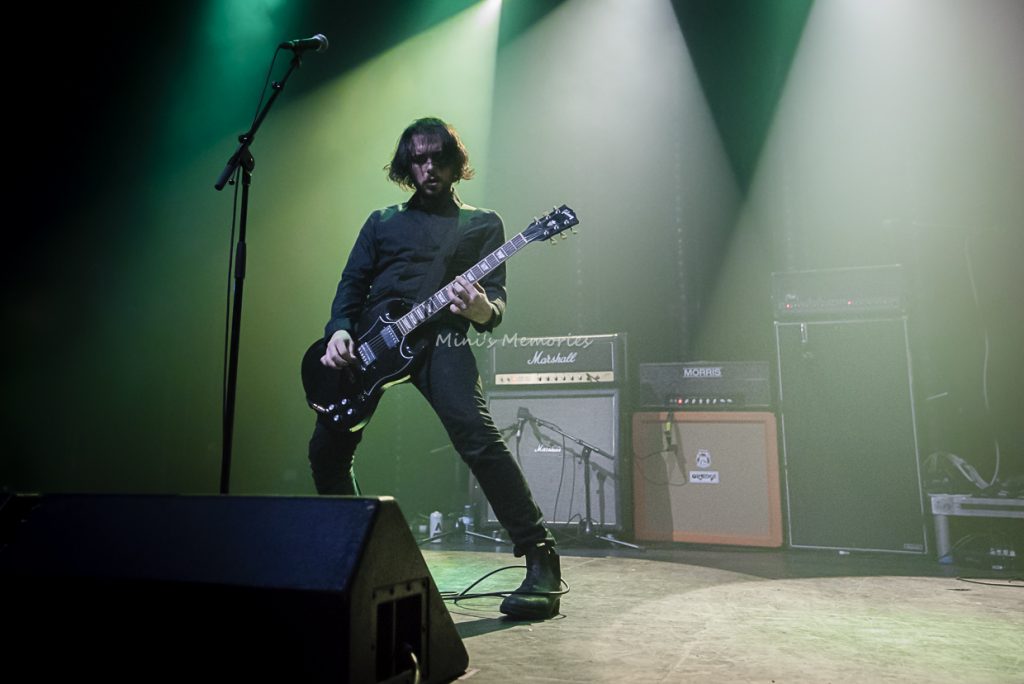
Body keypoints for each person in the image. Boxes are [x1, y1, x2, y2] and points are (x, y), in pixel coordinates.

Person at [308, 117, 561, 620]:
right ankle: (352, 555)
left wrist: (482, 310)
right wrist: (338, 330)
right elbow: (351, 285)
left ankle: (541, 557)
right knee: (326, 450)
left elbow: (496, 300)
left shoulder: (482, 224)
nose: (429, 167)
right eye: (419, 159)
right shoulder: (381, 222)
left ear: (454, 163)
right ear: (407, 166)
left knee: (478, 437)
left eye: (438, 157)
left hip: (441, 340)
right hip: (369, 348)